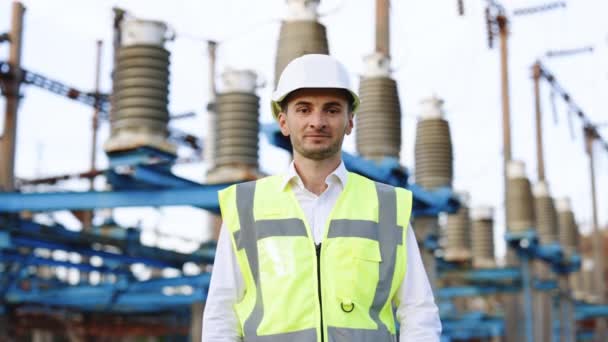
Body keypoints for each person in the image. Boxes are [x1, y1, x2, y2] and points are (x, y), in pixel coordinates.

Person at [202, 54, 441, 341]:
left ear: (350, 121)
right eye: (304, 110)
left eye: (331, 110)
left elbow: (419, 312)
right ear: (283, 121)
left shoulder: (387, 207)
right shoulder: (246, 206)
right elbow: (221, 314)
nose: (317, 121)